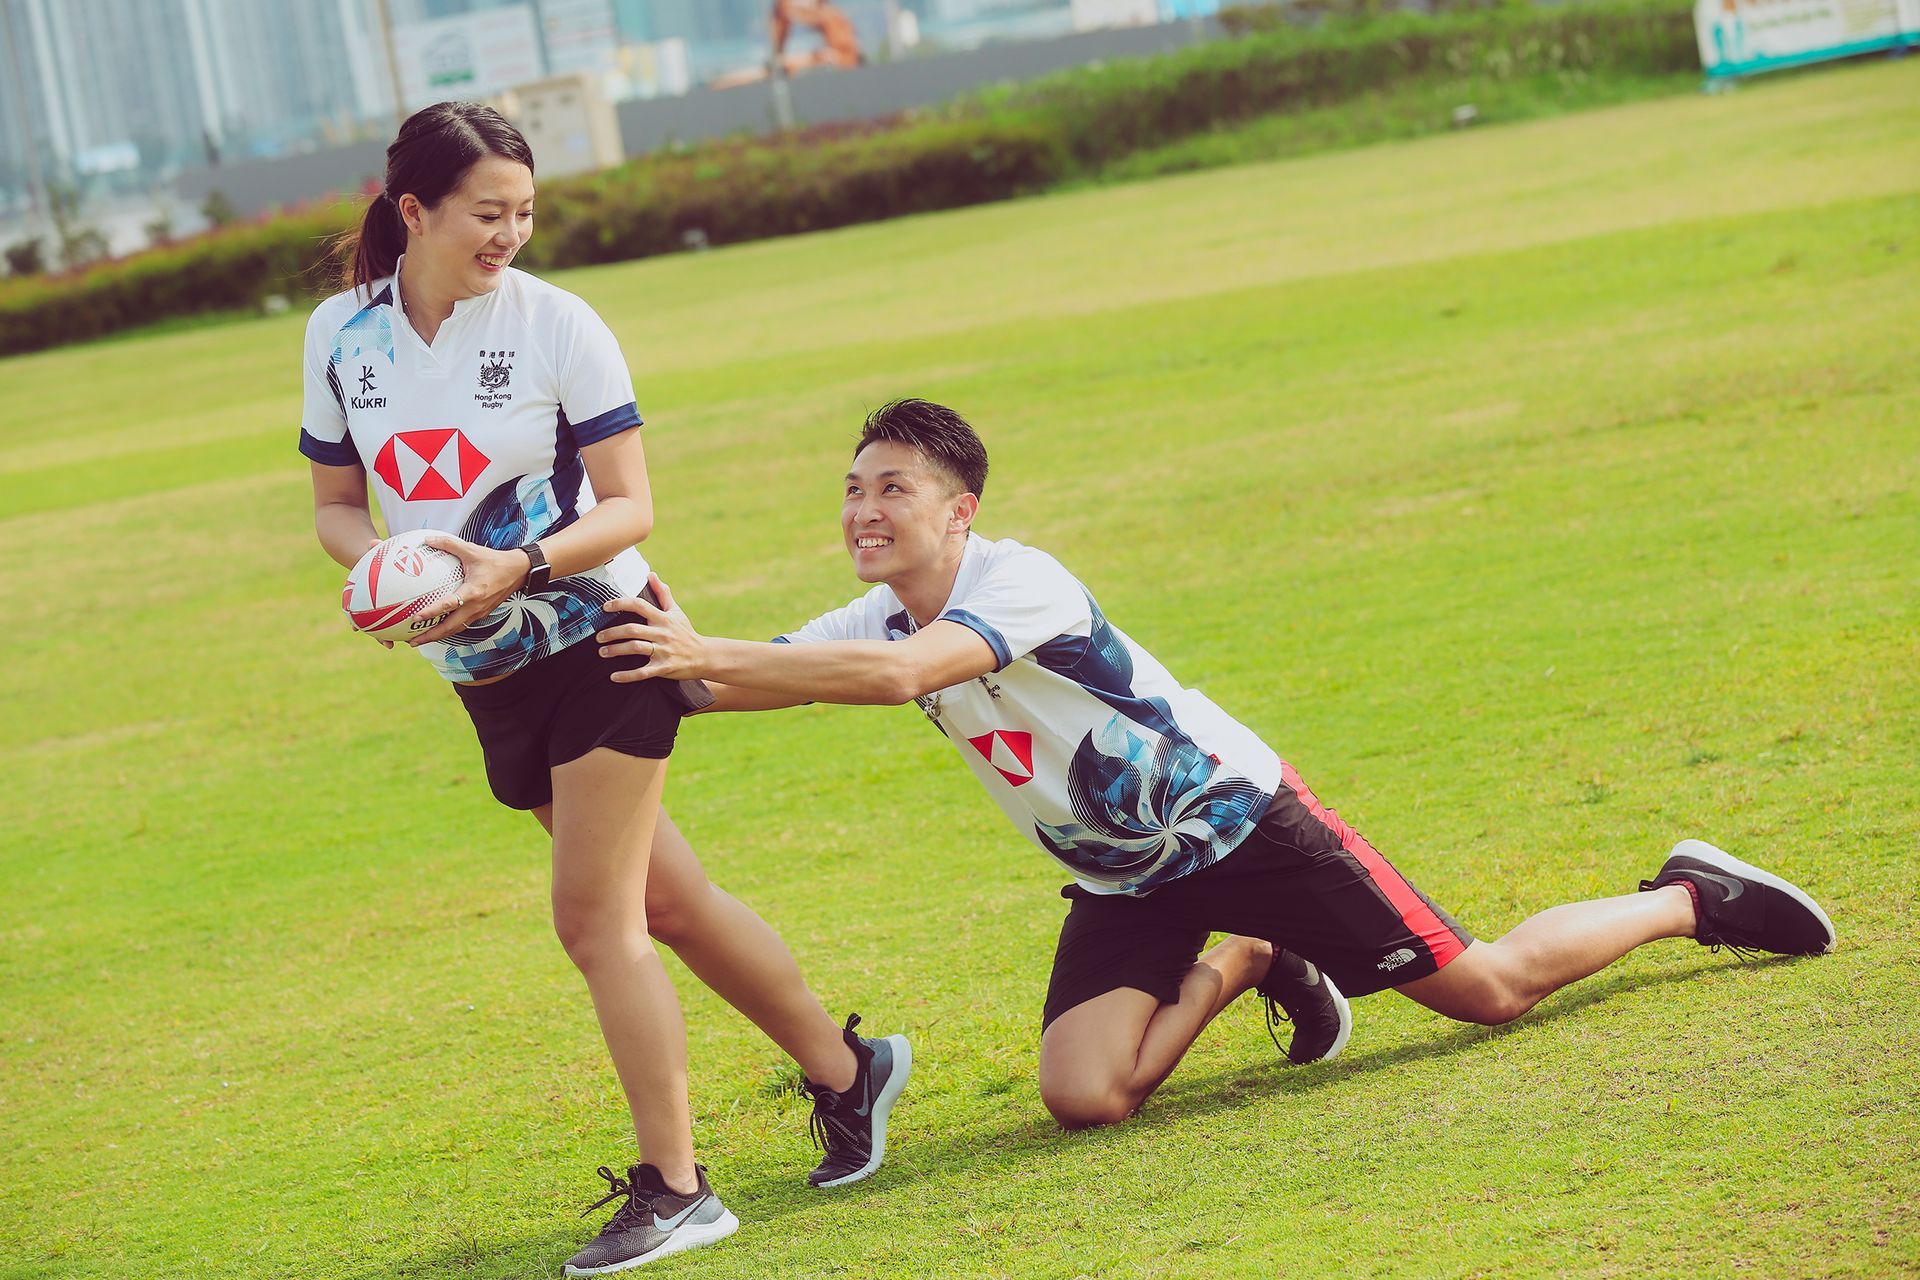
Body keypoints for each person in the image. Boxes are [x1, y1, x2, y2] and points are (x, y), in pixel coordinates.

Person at [595, 398, 1837, 1130]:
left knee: (1489, 990)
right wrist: (628, 604)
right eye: (853, 489)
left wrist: (707, 651)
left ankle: (1689, 895)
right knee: (1085, 1097)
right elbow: (717, 681)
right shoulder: (868, 614)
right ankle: (1250, 957)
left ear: (960, 508)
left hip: (1244, 823)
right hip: (1128, 878)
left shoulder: (1018, 581)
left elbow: (895, 677)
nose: (864, 510)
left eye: (894, 489)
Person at [298, 103, 909, 1275]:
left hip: (600, 634)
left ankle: (678, 1188)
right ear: (413, 210)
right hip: (481, 666)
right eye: (487, 213)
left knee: (595, 919)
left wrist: (514, 566)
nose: (510, 234)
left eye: (525, 212)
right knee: (669, 901)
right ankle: (852, 1072)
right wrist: (386, 576)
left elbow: (630, 506)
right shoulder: (340, 333)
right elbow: (335, 506)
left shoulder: (558, 322)